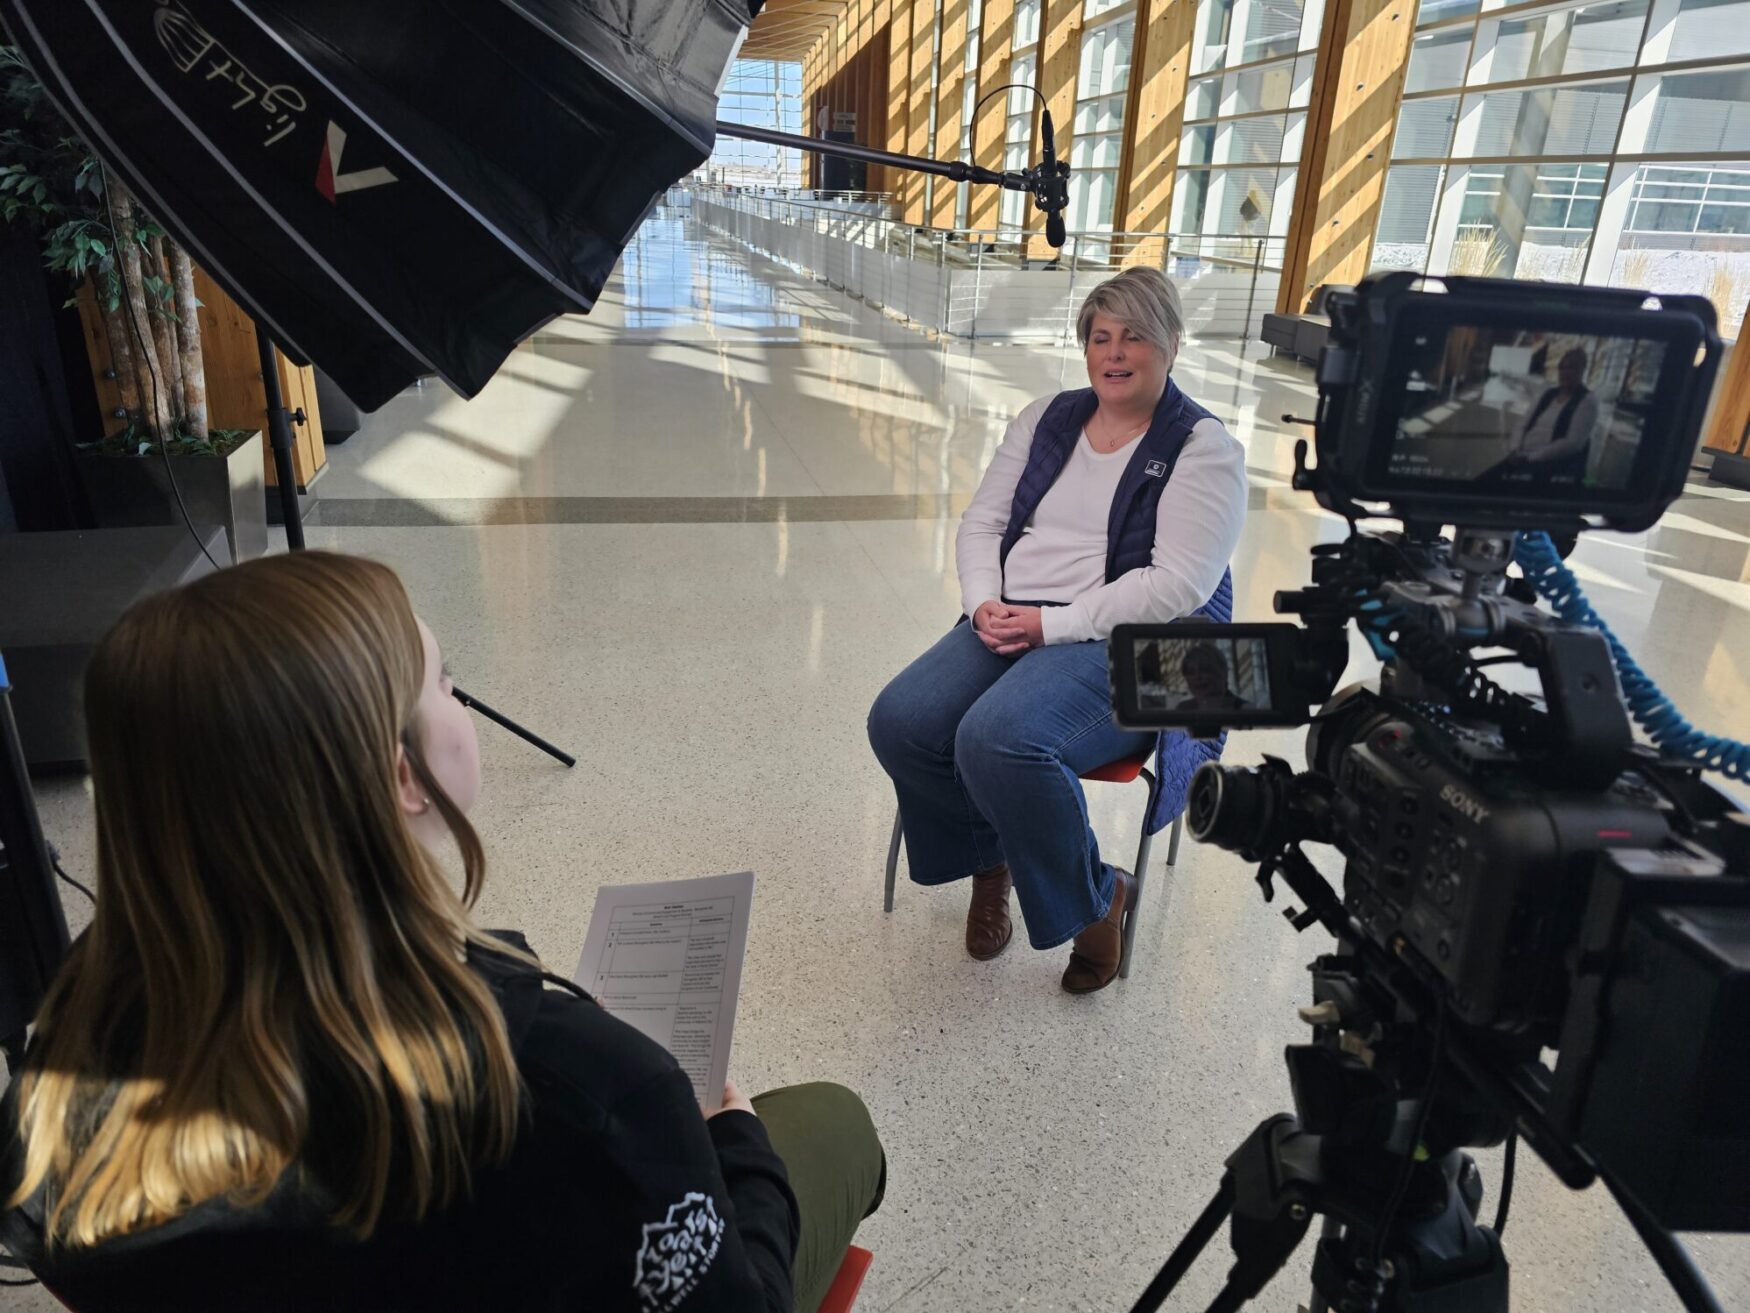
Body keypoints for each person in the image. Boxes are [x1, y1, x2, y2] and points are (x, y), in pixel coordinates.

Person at [0, 552, 883, 1313]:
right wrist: (731, 1139)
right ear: (404, 777)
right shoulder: (591, 1092)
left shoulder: (67, 1040)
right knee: (833, 1124)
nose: (462, 703)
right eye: (448, 682)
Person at [867, 267, 1247, 995]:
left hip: (1133, 641)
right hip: (1018, 612)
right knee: (901, 720)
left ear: (1171, 343)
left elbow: (1177, 586)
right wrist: (983, 601)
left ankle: (1097, 897)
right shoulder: (1048, 417)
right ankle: (993, 860)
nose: (1114, 351)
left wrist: (1053, 625)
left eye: (1134, 335)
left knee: (997, 737)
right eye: (1100, 336)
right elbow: (982, 521)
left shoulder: (1204, 449)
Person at [1503, 347, 1597, 480]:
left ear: (1582, 370)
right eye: (1562, 367)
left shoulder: (1587, 401)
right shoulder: (1548, 393)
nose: (1565, 372)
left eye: (1572, 367)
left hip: (1548, 467)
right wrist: (1514, 449)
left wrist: (1531, 457)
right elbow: (1522, 423)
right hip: (1520, 457)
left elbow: (1572, 444)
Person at [1174, 643, 1251, 713]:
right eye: (1191, 672)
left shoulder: (1244, 710)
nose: (1197, 677)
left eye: (1204, 670)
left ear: (1223, 673)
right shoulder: (1183, 709)